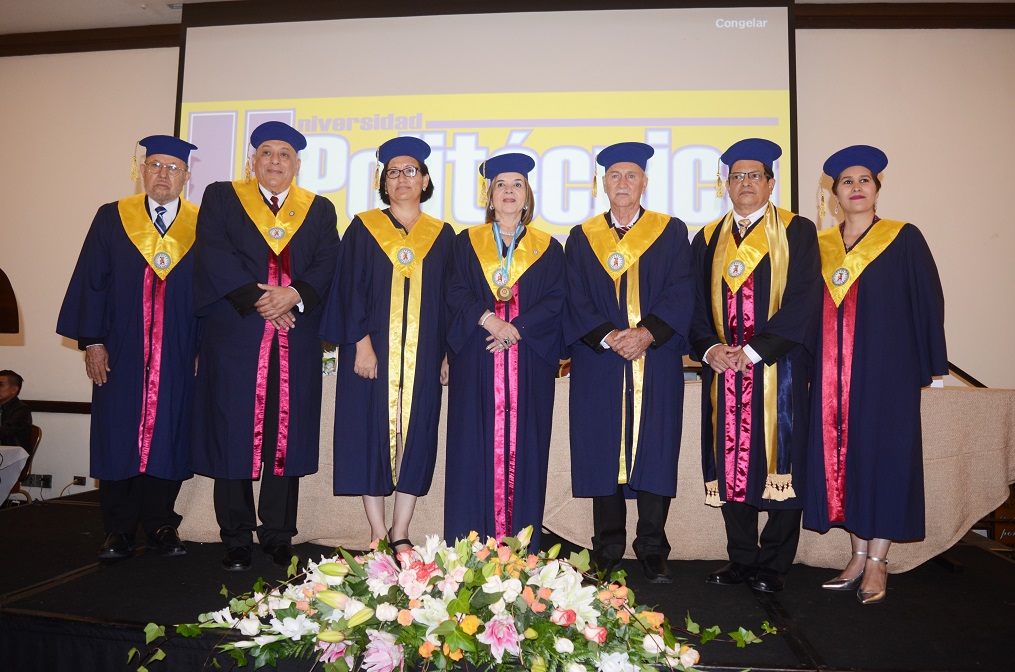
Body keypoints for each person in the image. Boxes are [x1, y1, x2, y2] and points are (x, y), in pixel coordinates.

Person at [191, 121, 340, 571]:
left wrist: (294, 295)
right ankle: (235, 535)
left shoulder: (318, 209)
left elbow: (328, 261)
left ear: (297, 164)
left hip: (295, 333)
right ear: (252, 160)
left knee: (285, 433)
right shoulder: (221, 198)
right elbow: (215, 254)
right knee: (232, 429)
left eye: (284, 154)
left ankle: (278, 534)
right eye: (266, 153)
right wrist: (263, 300)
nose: (275, 161)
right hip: (237, 333)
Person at [803, 145, 947, 604]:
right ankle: (857, 554)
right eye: (847, 182)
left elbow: (928, 302)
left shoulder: (903, 238)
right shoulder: (819, 246)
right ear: (834, 196)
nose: (856, 188)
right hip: (832, 375)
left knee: (883, 458)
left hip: (888, 372)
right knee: (846, 460)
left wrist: (932, 366)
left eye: (864, 180)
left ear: (877, 189)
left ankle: (879, 562)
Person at [56, 135, 200, 560]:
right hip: (121, 348)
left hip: (178, 347)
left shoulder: (202, 223)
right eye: (154, 165)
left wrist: (203, 347)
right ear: (141, 171)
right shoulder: (112, 217)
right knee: (118, 432)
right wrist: (93, 341)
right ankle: (118, 530)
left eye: (172, 167)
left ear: (186, 177)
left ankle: (160, 524)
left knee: (170, 432)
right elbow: (91, 280)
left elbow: (212, 291)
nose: (162, 174)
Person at [691, 138, 821, 593]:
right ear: (726, 184)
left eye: (754, 176)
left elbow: (805, 300)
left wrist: (754, 350)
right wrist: (710, 348)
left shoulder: (797, 231)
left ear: (770, 182)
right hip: (722, 371)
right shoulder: (707, 237)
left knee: (780, 461)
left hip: (777, 370)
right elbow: (693, 308)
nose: (744, 183)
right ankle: (742, 559)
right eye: (737, 176)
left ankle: (773, 565)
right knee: (730, 463)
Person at [564, 142, 694, 583]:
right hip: (600, 361)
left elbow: (682, 290)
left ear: (644, 182)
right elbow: (574, 296)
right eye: (614, 176)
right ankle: (608, 547)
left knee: (655, 448)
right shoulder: (582, 237)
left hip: (654, 357)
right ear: (604, 183)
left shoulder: (672, 231)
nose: (623, 183)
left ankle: (653, 547)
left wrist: (646, 333)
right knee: (604, 449)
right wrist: (608, 336)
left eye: (631, 176)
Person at [320, 137, 453, 555]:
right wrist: (360, 344)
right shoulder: (363, 227)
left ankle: (401, 530)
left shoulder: (444, 235)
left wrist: (448, 352)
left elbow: (452, 298)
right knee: (366, 435)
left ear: (425, 179)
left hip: (425, 357)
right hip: (370, 357)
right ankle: (376, 532)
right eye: (393, 172)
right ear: (384, 181)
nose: (401, 178)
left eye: (410, 171)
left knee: (418, 437)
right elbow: (348, 291)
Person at [444, 153, 565, 552]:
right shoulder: (465, 244)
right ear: (490, 196)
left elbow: (557, 299)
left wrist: (518, 329)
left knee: (527, 449)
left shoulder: (549, 247)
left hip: (528, 360)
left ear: (527, 195)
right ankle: (465, 548)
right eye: (501, 185)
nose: (509, 191)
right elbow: (453, 291)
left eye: (517, 184)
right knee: (470, 451)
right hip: (477, 357)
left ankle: (523, 550)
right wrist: (489, 320)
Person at [0, 370, 32, 451]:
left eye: (0, 385)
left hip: (11, 458)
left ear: (14, 389)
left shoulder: (22, 410)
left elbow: (5, 431)